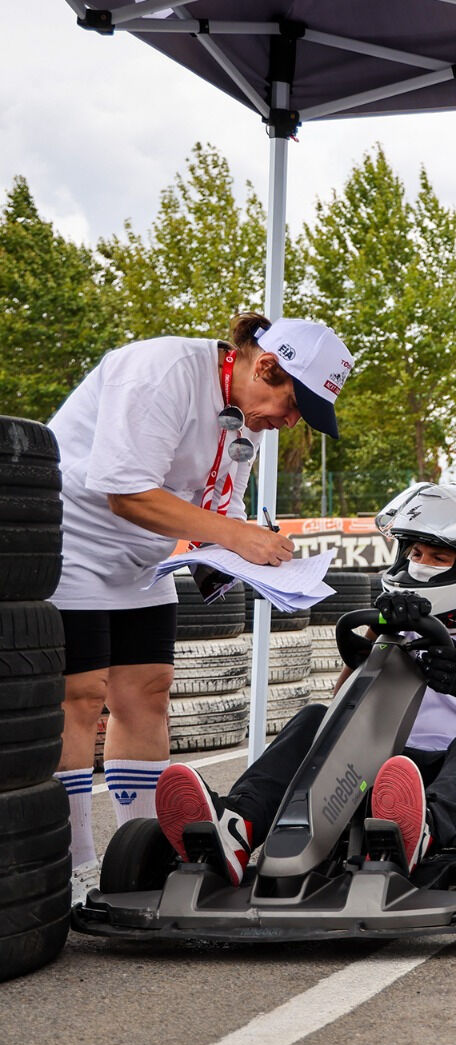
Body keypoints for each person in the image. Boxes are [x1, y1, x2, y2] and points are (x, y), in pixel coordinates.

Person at [48, 314, 355, 899]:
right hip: (73, 544)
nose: (290, 423)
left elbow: (222, 511)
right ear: (265, 365)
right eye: (294, 406)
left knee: (149, 689)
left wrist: (261, 562)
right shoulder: (160, 371)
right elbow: (125, 489)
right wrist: (235, 537)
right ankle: (73, 864)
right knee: (81, 695)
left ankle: (138, 849)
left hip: (142, 560)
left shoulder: (246, 418)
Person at [152, 482, 456, 884]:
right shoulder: (394, 632)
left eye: (439, 556)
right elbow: (345, 710)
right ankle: (238, 825)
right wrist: (374, 641)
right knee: (314, 717)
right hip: (386, 771)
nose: (420, 564)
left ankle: (420, 830)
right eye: (415, 552)